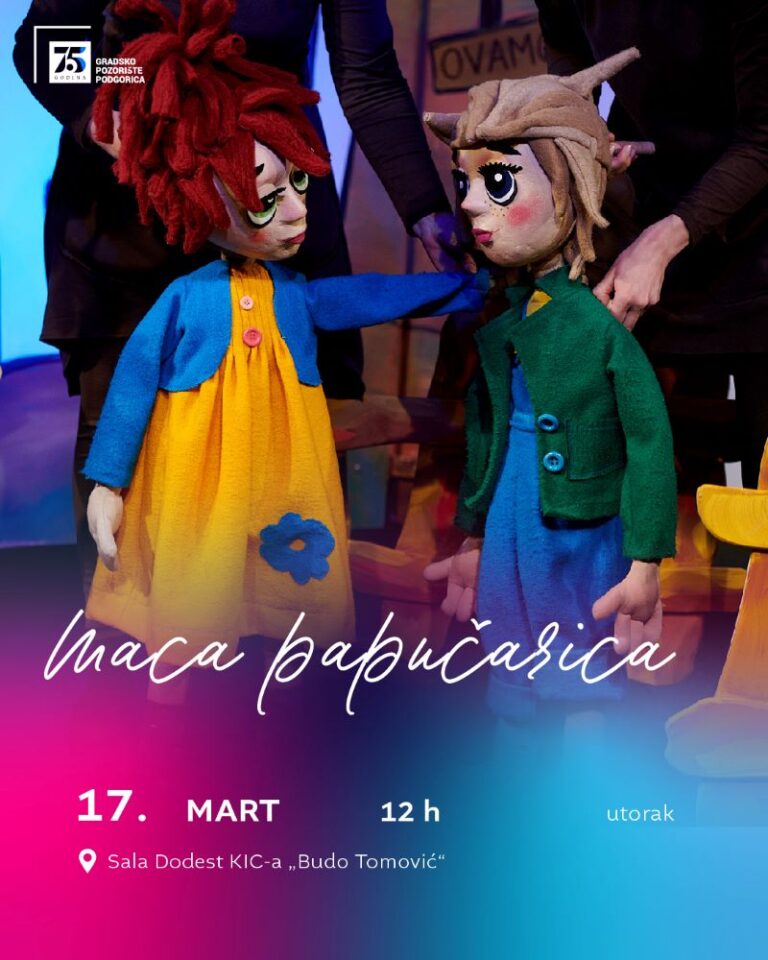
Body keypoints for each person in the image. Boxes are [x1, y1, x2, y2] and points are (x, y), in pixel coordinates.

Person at [80, 0, 488, 665]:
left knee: (294, 556)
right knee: (157, 562)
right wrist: (132, 88)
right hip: (139, 205)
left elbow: (366, 71)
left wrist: (433, 226)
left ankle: (291, 691)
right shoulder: (181, 298)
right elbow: (49, 46)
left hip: (277, 156)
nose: (296, 206)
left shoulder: (295, 271)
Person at [422, 50, 677, 726]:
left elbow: (650, 444)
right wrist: (472, 539)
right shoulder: (503, 325)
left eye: (497, 182)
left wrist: (645, 561)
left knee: (581, 679)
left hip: (580, 535)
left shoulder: (598, 332)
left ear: (571, 189)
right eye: (465, 182)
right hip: (508, 525)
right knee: (509, 670)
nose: (469, 203)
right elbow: (486, 440)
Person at [535, 0, 768, 489]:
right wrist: (583, 125)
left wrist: (662, 242)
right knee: (647, 468)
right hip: (657, 201)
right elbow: (566, 45)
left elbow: (764, 139)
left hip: (754, 217)